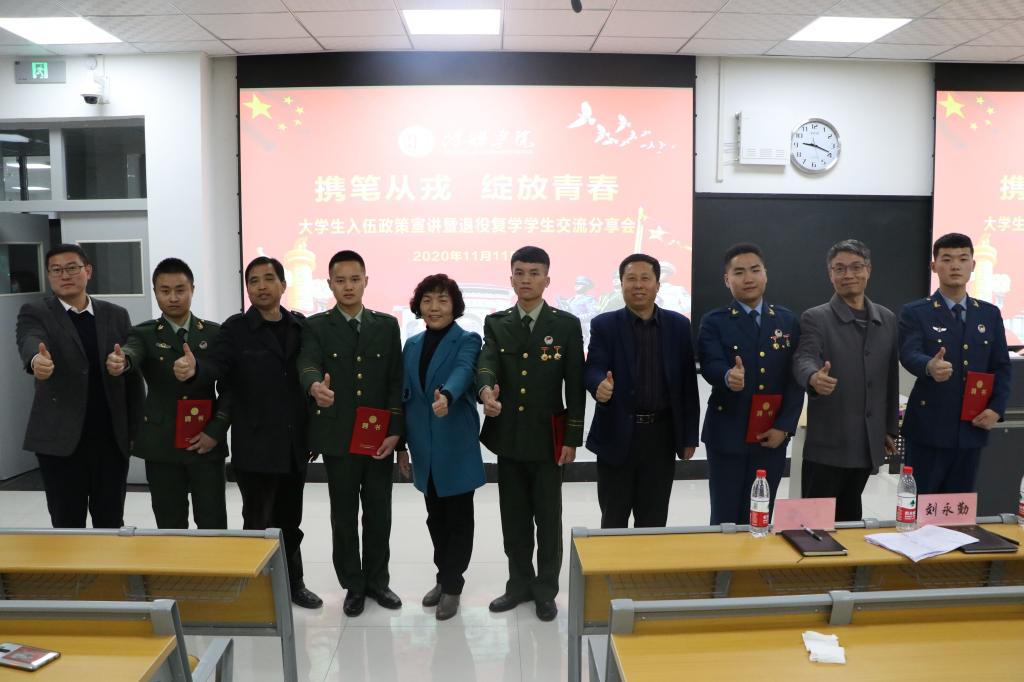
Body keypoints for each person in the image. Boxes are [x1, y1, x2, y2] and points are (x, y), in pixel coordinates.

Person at [174, 256, 322, 609]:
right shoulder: (236, 328)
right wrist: (195, 369)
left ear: (283, 284)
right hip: (255, 444)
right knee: (257, 522)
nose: (261, 286)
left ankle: (294, 583)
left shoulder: (300, 326)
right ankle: (256, 591)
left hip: (293, 444)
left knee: (291, 521)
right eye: (253, 280)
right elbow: (216, 364)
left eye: (268, 279)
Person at [476, 245, 585, 622]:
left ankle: (545, 590)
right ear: (511, 278)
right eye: (520, 273)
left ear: (547, 280)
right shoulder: (497, 322)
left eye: (534, 273)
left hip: (547, 439)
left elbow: (575, 385)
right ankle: (518, 584)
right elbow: (487, 362)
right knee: (514, 518)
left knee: (548, 519)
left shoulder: (566, 324)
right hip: (508, 437)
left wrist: (572, 438)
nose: (526, 280)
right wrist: (485, 390)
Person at [297, 250, 404, 617]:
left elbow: (395, 381)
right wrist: (314, 386)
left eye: (354, 279)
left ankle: (378, 582)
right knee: (343, 515)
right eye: (340, 280)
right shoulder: (316, 326)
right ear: (329, 284)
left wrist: (396, 433)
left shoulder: (386, 326)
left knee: (379, 513)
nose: (348, 287)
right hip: (338, 436)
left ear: (365, 281)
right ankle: (353, 585)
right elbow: (307, 363)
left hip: (377, 437)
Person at [15, 243, 142, 528]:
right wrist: (37, 360)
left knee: (110, 523)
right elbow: (29, 339)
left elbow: (133, 378)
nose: (64, 275)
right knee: (67, 524)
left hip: (110, 441)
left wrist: (133, 430)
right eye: (56, 270)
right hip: (60, 442)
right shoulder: (36, 312)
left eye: (72, 268)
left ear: (88, 271)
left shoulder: (116, 314)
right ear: (49, 276)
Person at [106, 258, 230, 529]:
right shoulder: (144, 333)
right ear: (155, 293)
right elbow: (132, 352)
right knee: (169, 523)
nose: (173, 298)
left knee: (213, 522)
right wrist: (122, 361)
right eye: (165, 291)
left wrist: (216, 431)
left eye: (180, 290)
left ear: (192, 290)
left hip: (206, 439)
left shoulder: (215, 333)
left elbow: (231, 386)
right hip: (161, 442)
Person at [583, 253, 700, 528]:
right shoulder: (604, 325)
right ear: (621, 284)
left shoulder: (679, 326)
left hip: (661, 436)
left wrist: (689, 436)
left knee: (653, 521)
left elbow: (688, 385)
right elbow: (593, 367)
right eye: (631, 279)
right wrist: (598, 384)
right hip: (616, 434)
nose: (638, 285)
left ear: (657, 285)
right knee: (613, 519)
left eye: (645, 278)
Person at [396, 274, 484, 621]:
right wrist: (402, 446)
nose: (434, 307)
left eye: (442, 300)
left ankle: (453, 586)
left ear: (454, 306)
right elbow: (405, 396)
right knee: (435, 518)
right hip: (423, 446)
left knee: (458, 519)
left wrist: (447, 394)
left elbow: (463, 371)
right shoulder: (412, 344)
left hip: (455, 444)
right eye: (428, 300)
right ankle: (443, 576)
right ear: (418, 305)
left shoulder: (468, 339)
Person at [697, 243, 803, 526]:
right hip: (727, 433)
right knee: (725, 517)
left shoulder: (787, 320)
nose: (748, 278)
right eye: (739, 272)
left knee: (760, 514)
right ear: (727, 279)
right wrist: (727, 377)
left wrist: (785, 427)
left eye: (755, 270)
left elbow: (795, 381)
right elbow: (710, 363)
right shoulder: (714, 321)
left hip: (771, 435)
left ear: (765, 274)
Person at [793, 240, 899, 521]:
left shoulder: (887, 319)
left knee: (851, 517)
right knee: (815, 522)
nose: (848, 274)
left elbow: (890, 379)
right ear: (830, 274)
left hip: (867, 441)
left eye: (856, 267)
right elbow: (804, 357)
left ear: (868, 270)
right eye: (839, 268)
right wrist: (813, 377)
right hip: (829, 442)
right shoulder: (816, 317)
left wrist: (888, 428)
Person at [899, 233, 1011, 494]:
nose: (955, 266)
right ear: (934, 265)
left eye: (962, 259)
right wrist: (929, 366)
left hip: (972, 427)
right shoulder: (916, 312)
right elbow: (909, 353)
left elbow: (1001, 366)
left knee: (959, 507)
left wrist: (996, 408)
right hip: (928, 427)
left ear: (973, 265)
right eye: (947, 259)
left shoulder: (989, 314)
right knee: (922, 505)